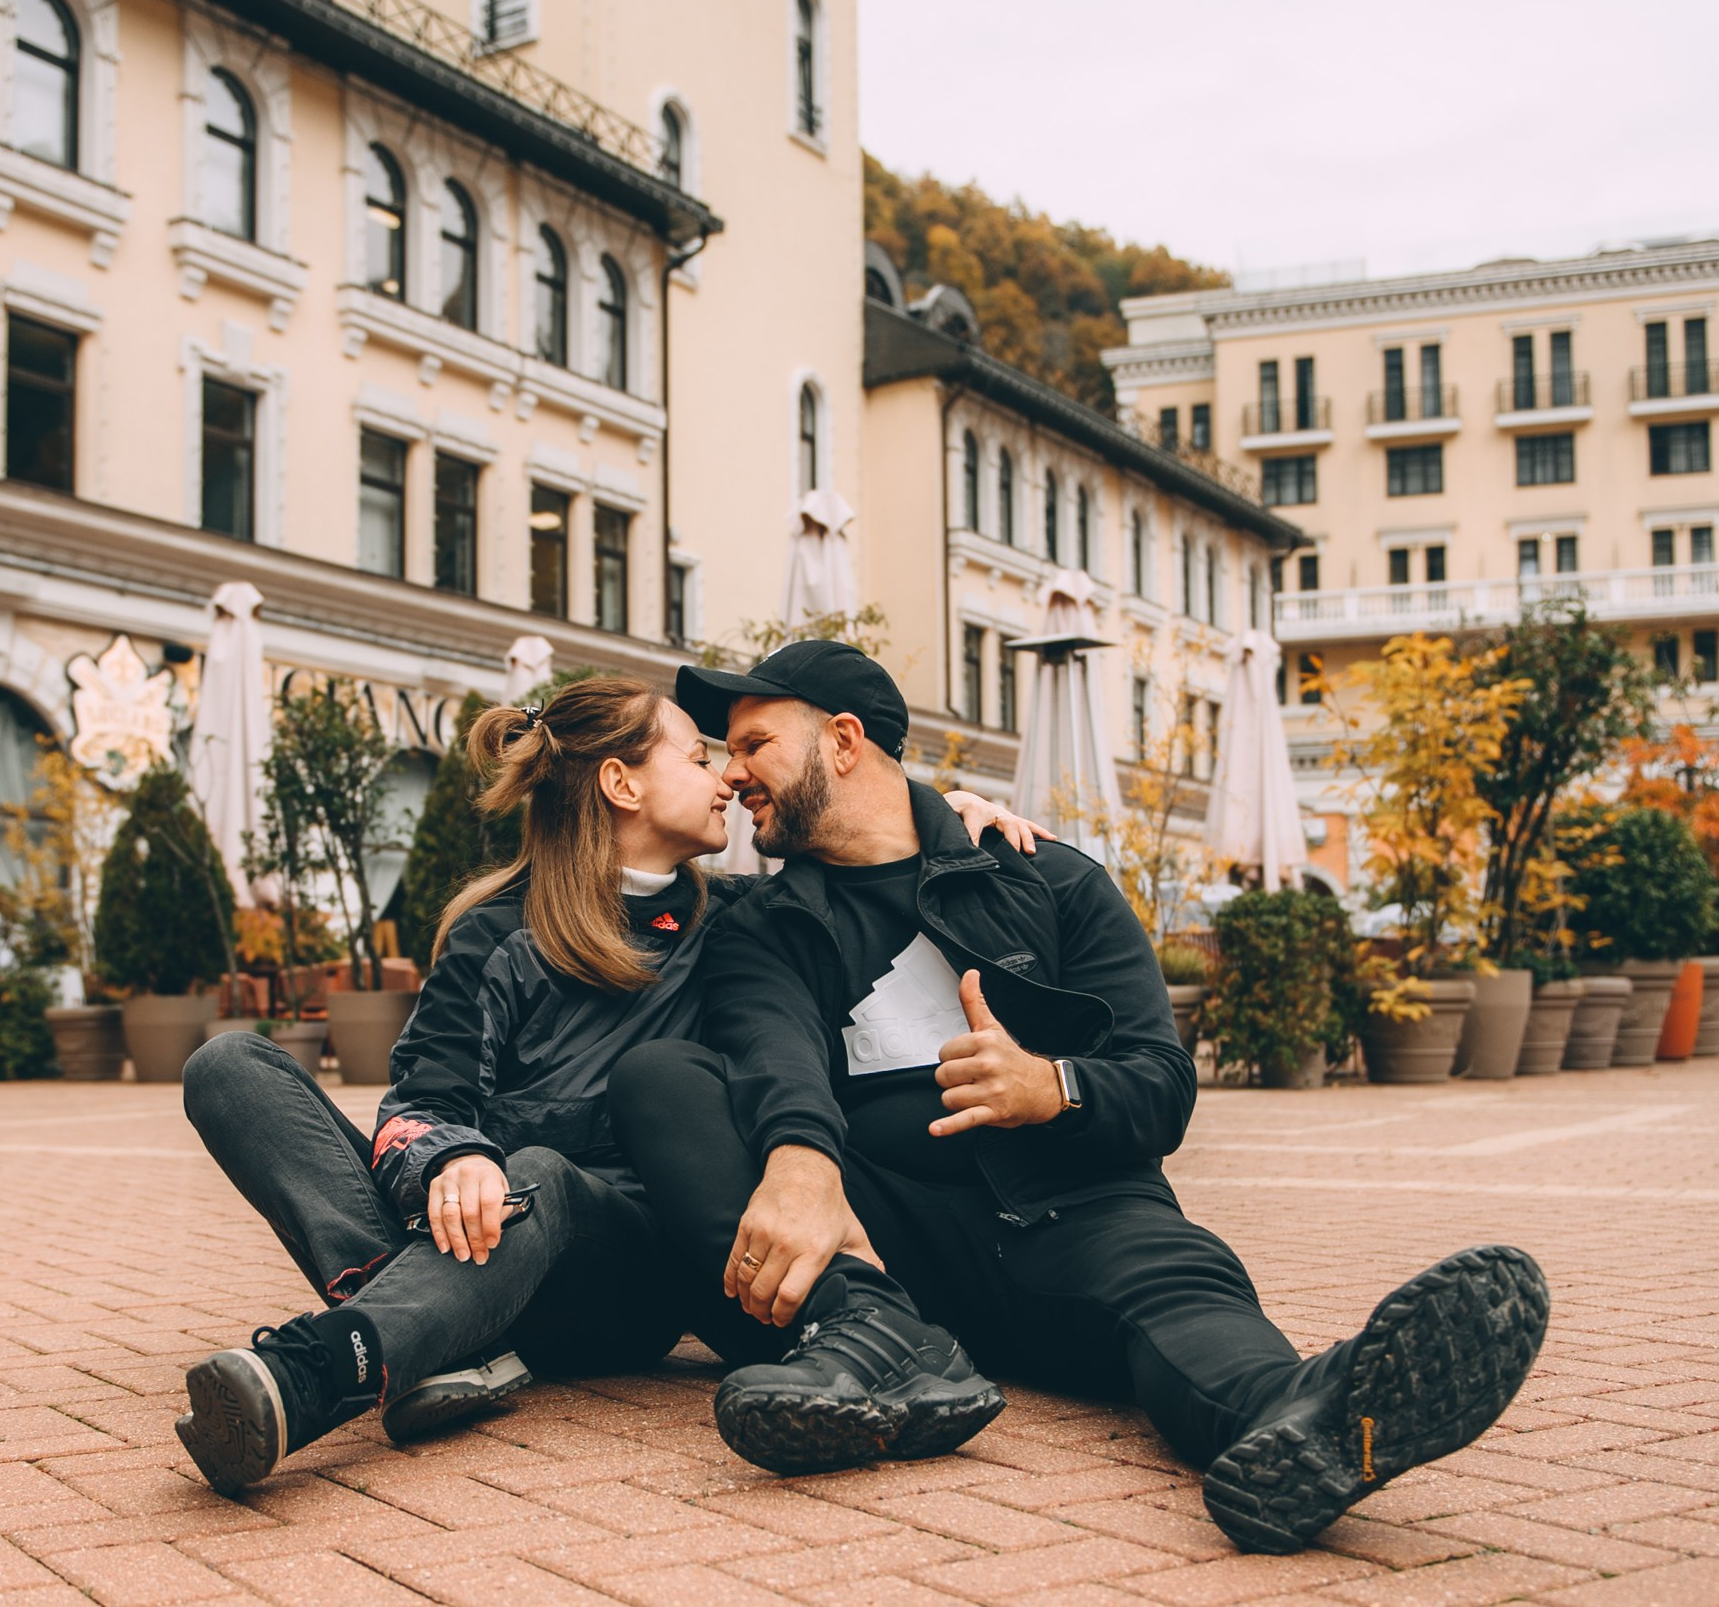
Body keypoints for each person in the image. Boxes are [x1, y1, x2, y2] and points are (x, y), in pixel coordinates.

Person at [608, 640, 1550, 1555]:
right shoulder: (761, 925)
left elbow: (1162, 1085)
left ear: (843, 742)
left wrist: (1051, 1085)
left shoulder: (1049, 879)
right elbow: (773, 1051)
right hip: (884, 1244)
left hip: (1078, 1209)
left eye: (754, 742)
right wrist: (803, 1161)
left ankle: (1315, 1421)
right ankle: (880, 1344)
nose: (734, 774)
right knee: (665, 1079)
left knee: (1182, 1295)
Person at [174, 671, 1034, 1496]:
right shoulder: (495, 932)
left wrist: (943, 821)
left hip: (620, 1274)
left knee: (540, 1171)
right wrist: (451, 1159)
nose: (725, 777)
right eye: (696, 757)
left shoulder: (738, 921)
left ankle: (327, 1367)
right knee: (230, 1065)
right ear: (621, 783)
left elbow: (864, 868)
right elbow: (422, 1103)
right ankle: (428, 1336)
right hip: (476, 1235)